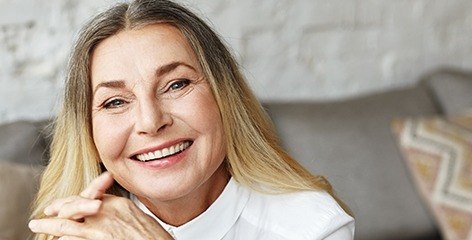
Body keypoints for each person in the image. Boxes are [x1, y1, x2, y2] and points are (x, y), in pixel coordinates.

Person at [28, 0, 355, 239]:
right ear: (89, 131)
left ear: (224, 96)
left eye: (177, 84)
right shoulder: (75, 231)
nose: (150, 121)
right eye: (115, 102)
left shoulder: (312, 226)